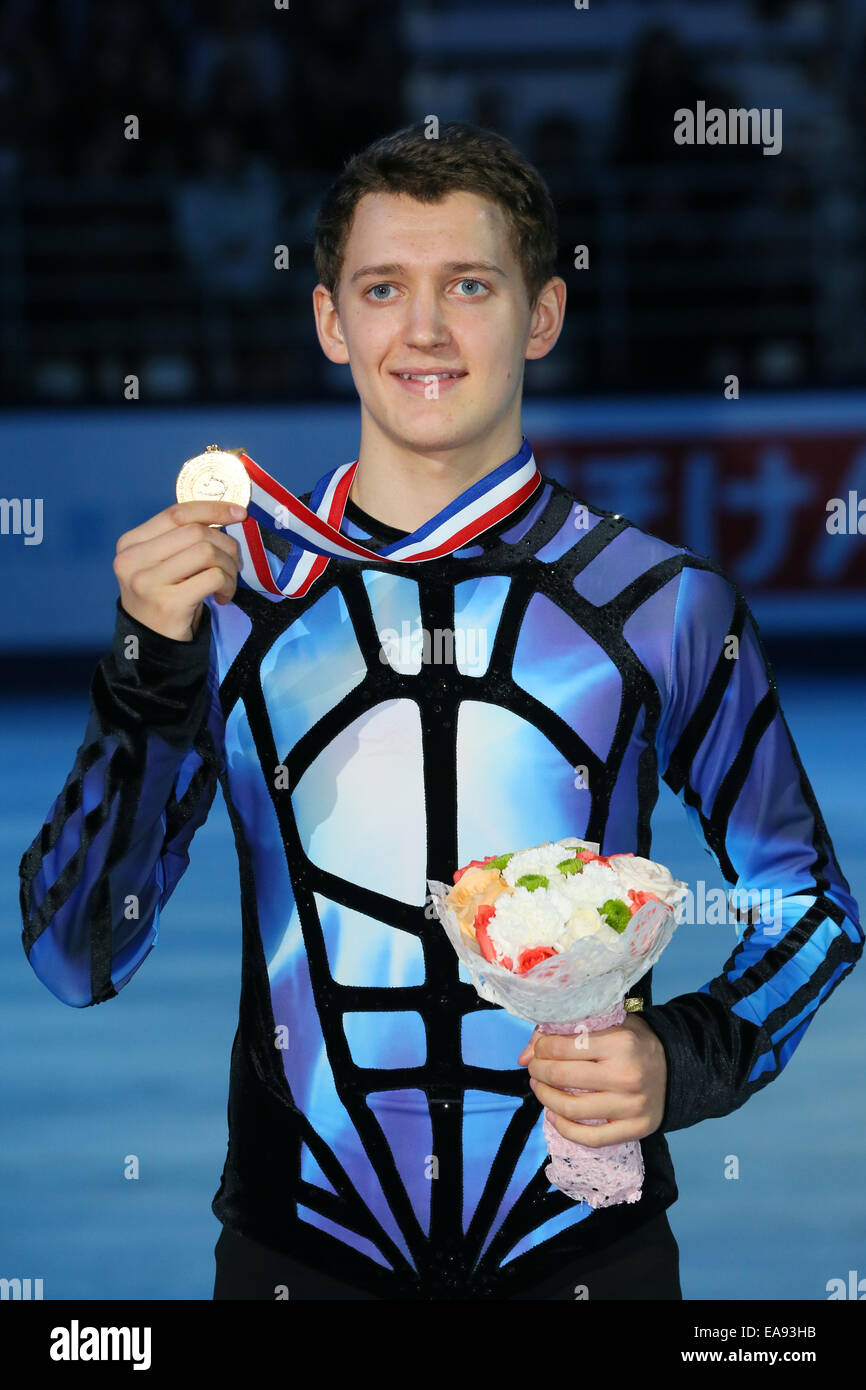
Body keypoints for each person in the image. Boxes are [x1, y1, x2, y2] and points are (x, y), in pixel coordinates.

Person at [18, 121, 863, 1301]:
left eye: (467, 285)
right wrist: (144, 673)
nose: (422, 329)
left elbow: (807, 902)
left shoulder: (661, 604)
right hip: (295, 1257)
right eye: (381, 288)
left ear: (542, 315)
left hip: (586, 1253)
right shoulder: (238, 598)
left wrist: (686, 1057)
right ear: (330, 321)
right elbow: (73, 956)